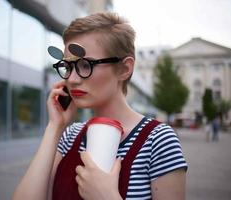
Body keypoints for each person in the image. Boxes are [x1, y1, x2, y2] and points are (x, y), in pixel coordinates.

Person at [12, 12, 187, 200]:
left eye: (85, 65)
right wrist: (54, 127)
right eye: (68, 67)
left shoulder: (158, 140)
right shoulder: (71, 136)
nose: (71, 79)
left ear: (125, 69)